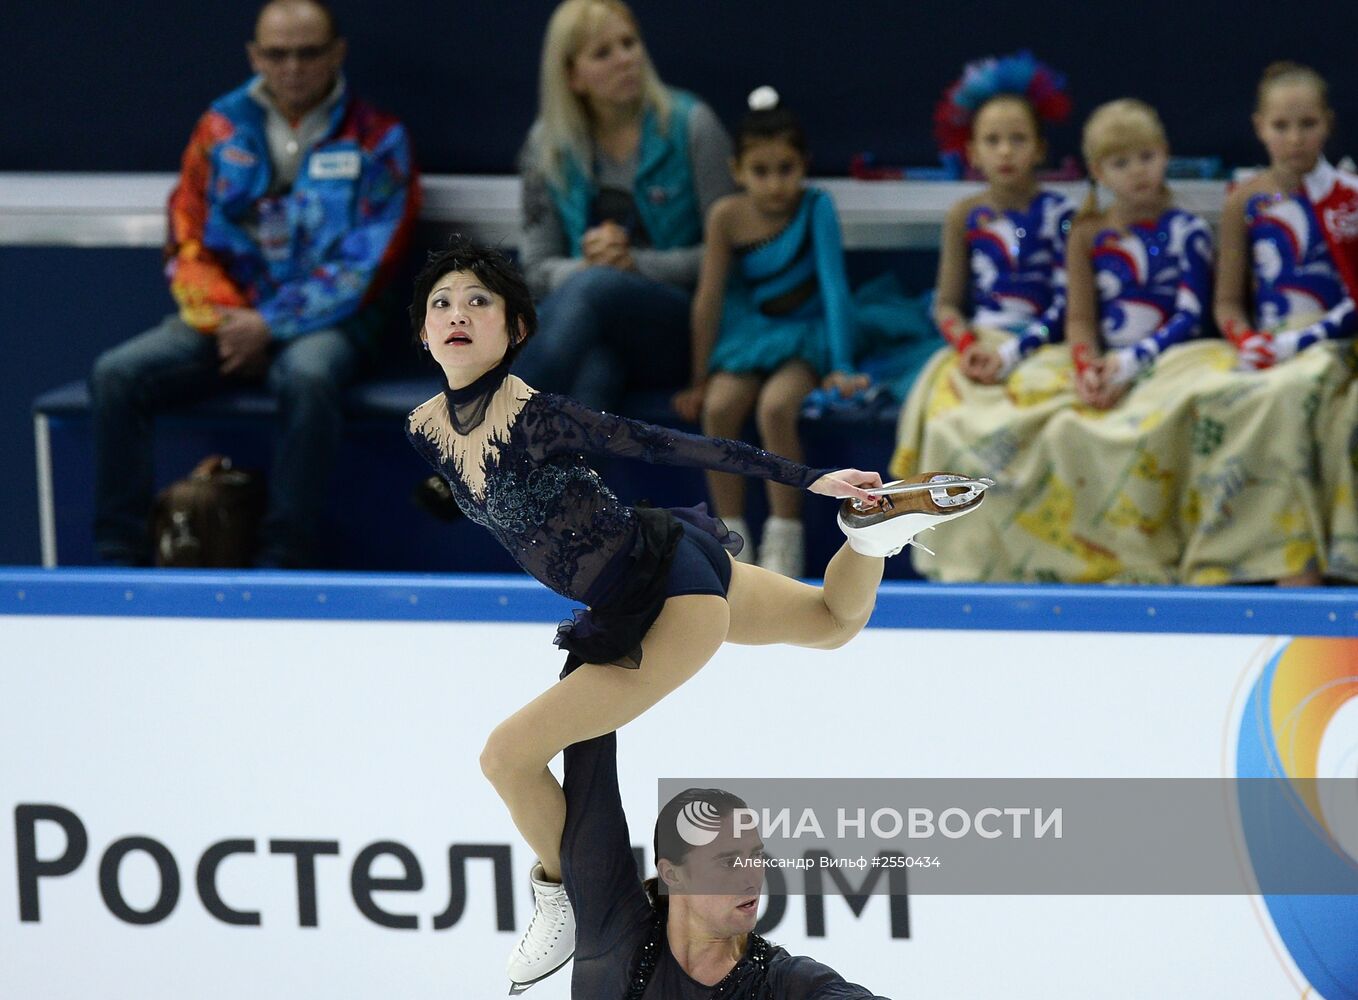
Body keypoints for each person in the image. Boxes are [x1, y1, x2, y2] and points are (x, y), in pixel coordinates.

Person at [403, 237, 989, 992]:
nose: (459, 314)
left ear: (516, 330)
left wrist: (808, 478)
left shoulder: (537, 418)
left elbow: (666, 444)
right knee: (831, 621)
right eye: (442, 304)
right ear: (421, 332)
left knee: (505, 756)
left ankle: (563, 896)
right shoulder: (423, 429)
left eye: (480, 302)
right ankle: (872, 538)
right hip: (671, 551)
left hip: (667, 604)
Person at [89, 0, 419, 567]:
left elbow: (370, 261)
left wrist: (271, 324)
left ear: (337, 53)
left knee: (310, 376)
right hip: (225, 316)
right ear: (255, 56)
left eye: (308, 52)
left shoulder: (378, 139)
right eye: (277, 53)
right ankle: (118, 552)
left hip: (331, 321)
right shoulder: (220, 127)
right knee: (116, 374)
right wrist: (228, 321)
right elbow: (186, 235)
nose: (293, 67)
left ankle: (282, 554)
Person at [889, 52, 1077, 583]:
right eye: (992, 140)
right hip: (979, 344)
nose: (1006, 151)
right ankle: (962, 565)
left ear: (1040, 146)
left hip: (1042, 346)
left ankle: (1039, 558)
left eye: (1018, 139)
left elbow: (1070, 304)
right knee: (948, 425)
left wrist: (1013, 351)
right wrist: (966, 344)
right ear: (971, 150)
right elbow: (945, 301)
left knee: (1053, 425)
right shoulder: (965, 215)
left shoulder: (1065, 215)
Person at [673, 87, 869, 579]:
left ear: (804, 166)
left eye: (787, 169)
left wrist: (843, 364)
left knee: (776, 409)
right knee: (719, 408)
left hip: (806, 336)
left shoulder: (816, 207)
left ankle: (785, 539)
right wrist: (697, 378)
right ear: (738, 171)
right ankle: (729, 541)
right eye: (761, 171)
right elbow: (709, 299)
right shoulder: (727, 217)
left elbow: (834, 290)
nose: (776, 184)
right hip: (752, 334)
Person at [513, 0, 735, 412]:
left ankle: (483, 432)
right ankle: (560, 479)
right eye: (603, 53)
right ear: (573, 77)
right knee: (596, 370)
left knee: (598, 287)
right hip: (595, 328)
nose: (626, 60)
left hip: (687, 328)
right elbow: (536, 268)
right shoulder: (547, 147)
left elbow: (731, 255)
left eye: (629, 43)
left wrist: (635, 265)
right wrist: (583, 268)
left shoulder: (692, 126)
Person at [558, 730, 895, 998]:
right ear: (672, 874)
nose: (752, 877)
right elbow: (589, 756)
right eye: (730, 862)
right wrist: (598, 645)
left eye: (756, 856)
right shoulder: (616, 936)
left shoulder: (781, 983)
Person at [1033, 99, 1216, 583]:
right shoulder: (1088, 234)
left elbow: (1191, 316)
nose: (1137, 171)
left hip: (1173, 357)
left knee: (1155, 423)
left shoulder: (1188, 230)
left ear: (1164, 154)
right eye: (1120, 162)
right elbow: (1079, 318)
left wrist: (1133, 362)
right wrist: (1087, 366)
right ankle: (1084, 560)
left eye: (1146, 157)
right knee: (1062, 426)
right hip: (1111, 359)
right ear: (1097, 171)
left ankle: (1160, 558)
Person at [1193, 61, 1358, 584]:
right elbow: (1227, 303)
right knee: (1215, 398)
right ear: (1260, 126)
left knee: (1292, 394)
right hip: (1268, 344)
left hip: (1333, 340)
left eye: (1307, 124)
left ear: (1328, 124)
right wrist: (1249, 340)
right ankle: (1246, 552)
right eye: (1281, 127)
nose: (1294, 139)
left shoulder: (1349, 198)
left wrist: (1299, 343)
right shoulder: (1246, 201)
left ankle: (1304, 561)